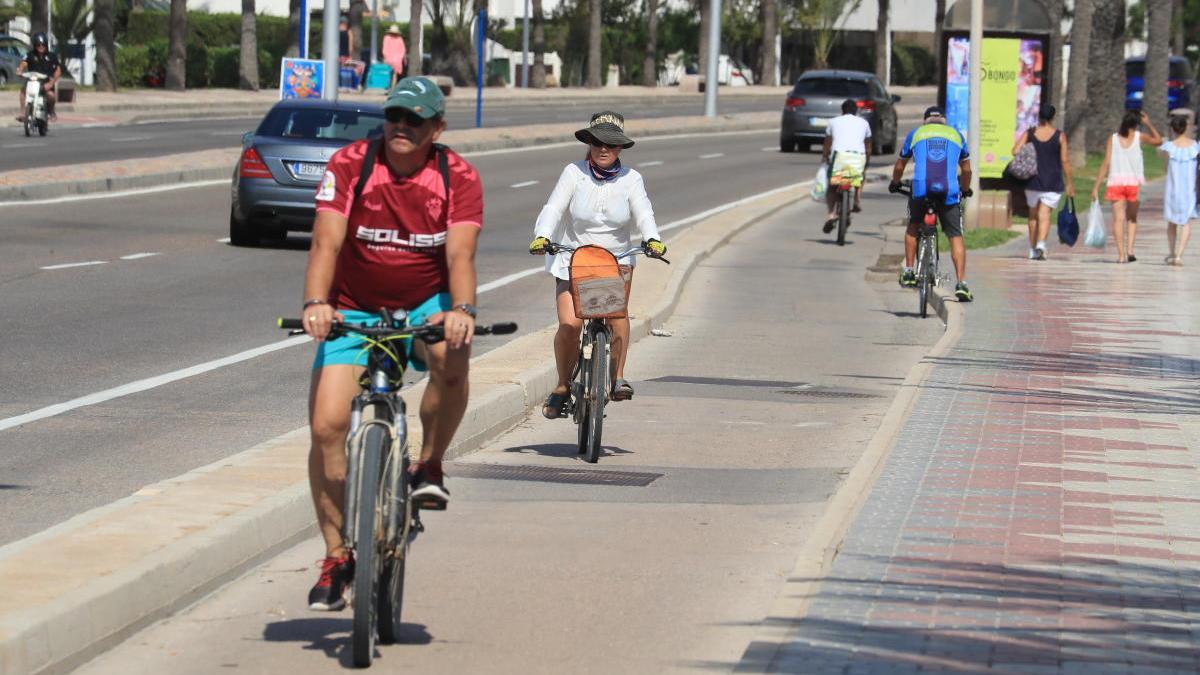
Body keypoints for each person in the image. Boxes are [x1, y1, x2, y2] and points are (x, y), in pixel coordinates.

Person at [301, 77, 483, 610]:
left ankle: (428, 465)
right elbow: (325, 242)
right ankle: (337, 558)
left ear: (438, 128)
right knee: (327, 425)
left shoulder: (457, 176)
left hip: (426, 302)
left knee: (455, 355)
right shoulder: (351, 165)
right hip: (353, 307)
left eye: (416, 120)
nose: (402, 127)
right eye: (395, 116)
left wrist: (462, 312)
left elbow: (460, 258)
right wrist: (317, 302)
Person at [528, 111, 666, 418]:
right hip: (574, 258)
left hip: (614, 261)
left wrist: (652, 238)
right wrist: (542, 236)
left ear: (620, 149)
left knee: (617, 318)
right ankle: (562, 387)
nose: (604, 149)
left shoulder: (632, 179)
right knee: (570, 324)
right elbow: (553, 207)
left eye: (611, 144)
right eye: (597, 142)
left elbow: (644, 213)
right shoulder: (574, 173)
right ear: (589, 144)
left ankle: (617, 378)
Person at [889, 106, 975, 302]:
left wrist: (895, 183)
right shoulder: (956, 135)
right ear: (944, 120)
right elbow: (967, 170)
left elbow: (900, 164)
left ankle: (909, 271)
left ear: (925, 120)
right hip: (949, 191)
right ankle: (962, 284)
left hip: (921, 189)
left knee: (913, 226)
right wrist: (965, 188)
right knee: (955, 235)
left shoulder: (916, 133)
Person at [1092, 110, 1163, 263]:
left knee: (1118, 220)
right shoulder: (1139, 137)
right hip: (1134, 184)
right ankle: (1130, 250)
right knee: (1132, 218)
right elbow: (1159, 141)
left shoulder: (1112, 139)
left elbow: (1106, 163)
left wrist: (1096, 187)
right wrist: (1148, 123)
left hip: (1115, 183)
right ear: (1137, 124)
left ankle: (1121, 256)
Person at [1012, 103, 1075, 260]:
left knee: (1033, 215)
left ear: (1039, 116)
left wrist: (1029, 151)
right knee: (1044, 213)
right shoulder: (1059, 136)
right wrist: (1070, 183)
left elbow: (1014, 150)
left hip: (1032, 180)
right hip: (1053, 181)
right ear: (1053, 117)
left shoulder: (1030, 133)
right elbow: (1065, 160)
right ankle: (1041, 244)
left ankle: (1033, 249)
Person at [820, 98, 871, 234]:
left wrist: (825, 157)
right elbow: (868, 146)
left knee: (832, 187)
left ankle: (831, 215)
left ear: (842, 111)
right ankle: (857, 200)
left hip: (839, 158)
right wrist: (867, 162)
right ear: (856, 111)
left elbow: (827, 143)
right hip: (858, 157)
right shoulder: (864, 123)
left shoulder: (833, 122)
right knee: (859, 177)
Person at [1160, 115, 1198, 266]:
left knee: (1172, 222)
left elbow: (1164, 167)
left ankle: (1171, 252)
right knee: (1186, 222)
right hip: (1189, 190)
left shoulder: (1168, 147)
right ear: (1186, 127)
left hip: (1172, 190)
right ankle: (1180, 255)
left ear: (1172, 129)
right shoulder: (1195, 146)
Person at [14, 33, 61, 122]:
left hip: (46, 82)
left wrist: (51, 83)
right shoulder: (30, 55)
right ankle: (23, 112)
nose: (41, 47)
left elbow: (58, 70)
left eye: (43, 44)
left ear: (46, 45)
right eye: (38, 45)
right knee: (23, 91)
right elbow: (24, 63)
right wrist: (20, 70)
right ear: (35, 45)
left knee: (51, 96)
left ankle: (51, 111)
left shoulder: (52, 56)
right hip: (32, 81)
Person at [382, 24, 407, 88]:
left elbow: (384, 49)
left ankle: (389, 87)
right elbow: (403, 50)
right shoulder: (399, 39)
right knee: (395, 75)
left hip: (389, 59)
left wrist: (386, 57)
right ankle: (393, 88)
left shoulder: (386, 38)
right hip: (397, 60)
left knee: (388, 74)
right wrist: (400, 58)